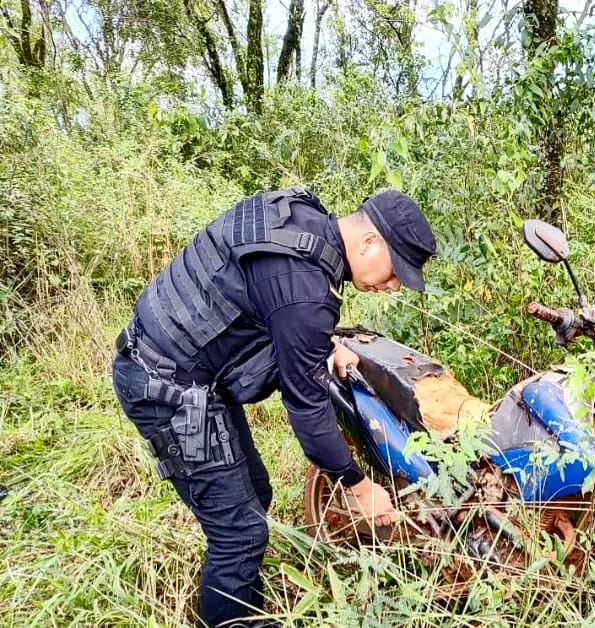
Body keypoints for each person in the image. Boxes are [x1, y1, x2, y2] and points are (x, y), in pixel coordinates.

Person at [110, 187, 436, 627]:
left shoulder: (303, 217)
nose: (394, 286)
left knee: (255, 495)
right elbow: (308, 413)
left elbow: (270, 303)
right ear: (369, 243)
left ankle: (244, 610)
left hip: (190, 368)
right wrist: (360, 488)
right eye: (396, 272)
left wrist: (328, 343)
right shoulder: (305, 292)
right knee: (239, 534)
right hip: (163, 385)